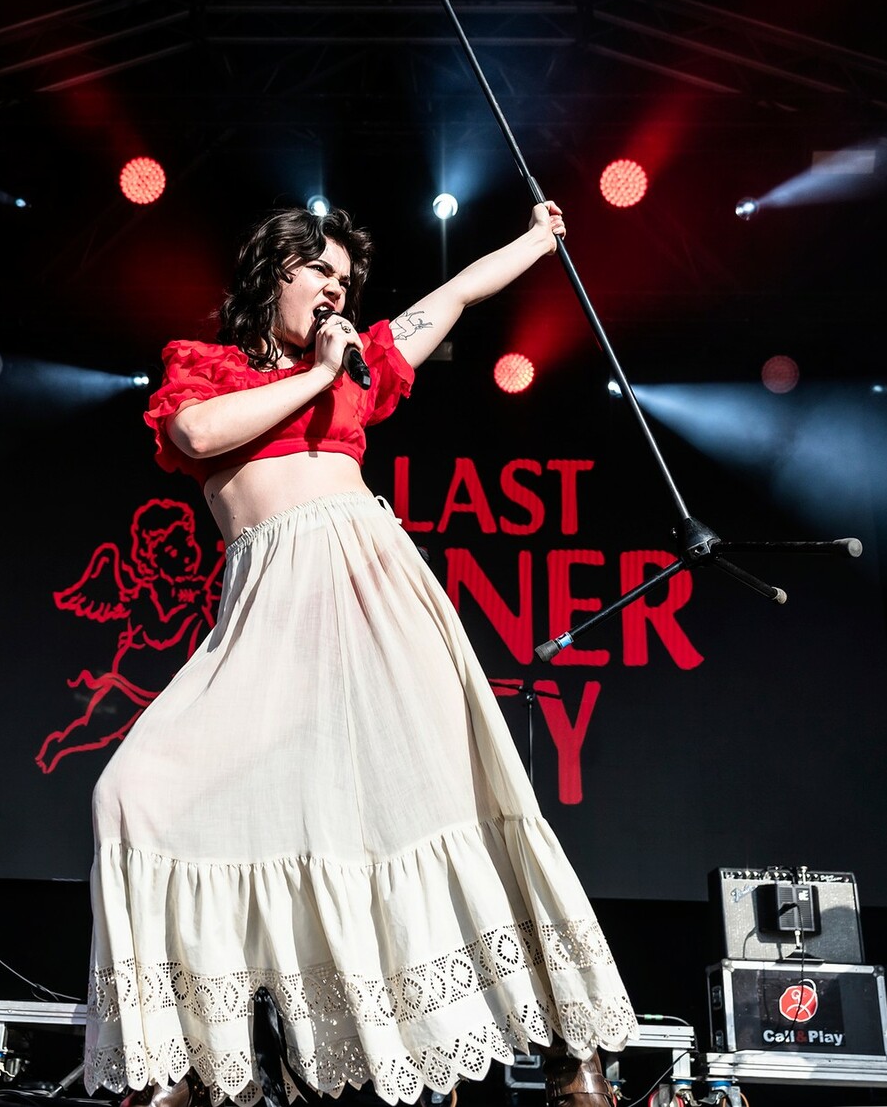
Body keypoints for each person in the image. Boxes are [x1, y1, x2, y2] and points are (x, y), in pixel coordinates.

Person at [84, 203, 635, 1107]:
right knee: (132, 794)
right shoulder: (209, 368)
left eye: (346, 279)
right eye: (320, 271)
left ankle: (577, 1054)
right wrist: (316, 374)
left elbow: (456, 294)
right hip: (264, 609)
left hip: (365, 585)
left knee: (444, 804)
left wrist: (539, 240)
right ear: (273, 274)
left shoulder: (358, 363)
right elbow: (198, 437)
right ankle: (177, 1056)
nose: (337, 289)